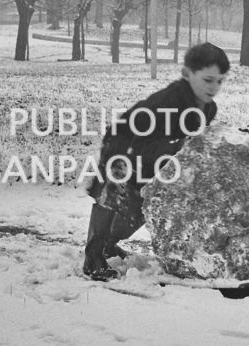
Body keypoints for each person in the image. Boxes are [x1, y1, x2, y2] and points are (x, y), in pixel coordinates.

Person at [82, 41, 230, 281]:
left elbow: (191, 140)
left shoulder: (207, 109)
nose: (214, 87)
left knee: (141, 206)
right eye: (207, 79)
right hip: (124, 145)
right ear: (187, 74)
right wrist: (177, 148)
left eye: (219, 81)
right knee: (114, 195)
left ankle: (110, 243)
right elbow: (143, 138)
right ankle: (93, 255)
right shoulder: (169, 101)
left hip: (156, 158)